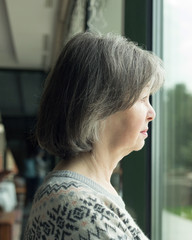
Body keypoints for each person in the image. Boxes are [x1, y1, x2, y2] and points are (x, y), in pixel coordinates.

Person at [24, 32, 164, 240]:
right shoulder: (73, 204)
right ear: (100, 106)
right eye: (143, 98)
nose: (151, 114)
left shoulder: (84, 192)